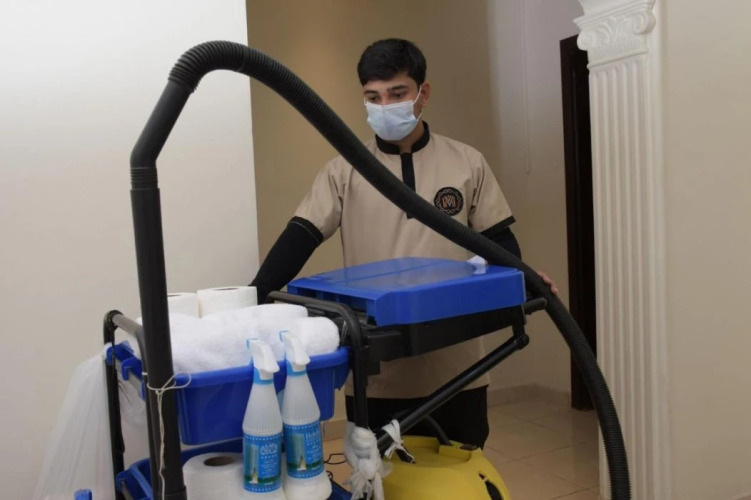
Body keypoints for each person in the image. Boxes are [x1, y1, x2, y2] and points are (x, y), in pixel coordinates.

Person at [251, 38, 557, 449]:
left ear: (422, 94)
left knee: (462, 469)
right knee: (381, 475)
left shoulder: (466, 162)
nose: (385, 106)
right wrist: (253, 296)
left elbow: (498, 242)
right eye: (373, 97)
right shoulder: (343, 171)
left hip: (459, 363)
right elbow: (300, 236)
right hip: (378, 370)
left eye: (397, 94)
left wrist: (525, 279)